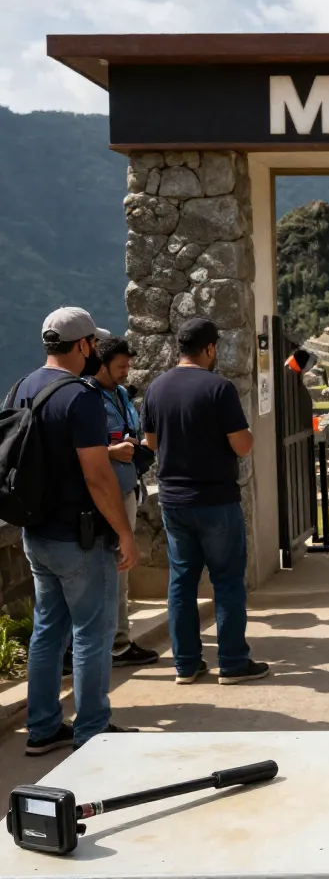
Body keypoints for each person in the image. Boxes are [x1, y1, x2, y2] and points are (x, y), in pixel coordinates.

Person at [14, 308, 140, 755]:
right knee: (93, 631)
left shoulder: (22, 387)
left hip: (37, 534)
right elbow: (97, 476)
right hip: (80, 537)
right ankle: (92, 728)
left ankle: (43, 728)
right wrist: (124, 533)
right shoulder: (81, 398)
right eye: (94, 344)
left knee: (48, 630)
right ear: (84, 345)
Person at [142, 318, 268, 685]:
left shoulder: (156, 387)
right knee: (227, 580)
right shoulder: (219, 388)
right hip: (215, 499)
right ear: (210, 349)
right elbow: (242, 445)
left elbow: (151, 443)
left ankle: (185, 665)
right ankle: (232, 662)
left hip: (173, 501)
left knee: (181, 582)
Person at [88, 336, 159, 668]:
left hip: (127, 488)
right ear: (102, 365)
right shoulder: (87, 398)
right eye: (121, 366)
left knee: (121, 569)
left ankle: (118, 637)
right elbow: (76, 453)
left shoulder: (119, 395)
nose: (126, 371)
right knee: (113, 568)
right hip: (104, 496)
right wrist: (111, 452)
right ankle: (115, 643)